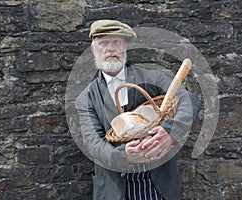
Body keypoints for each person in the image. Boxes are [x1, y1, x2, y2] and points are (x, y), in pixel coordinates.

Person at [75, 19, 201, 200]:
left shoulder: (153, 78)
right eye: (103, 43)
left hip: (157, 185)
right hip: (115, 191)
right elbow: (94, 145)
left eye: (116, 42)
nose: (110, 48)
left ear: (125, 46)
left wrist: (172, 131)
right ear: (94, 49)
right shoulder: (86, 98)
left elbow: (189, 99)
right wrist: (123, 156)